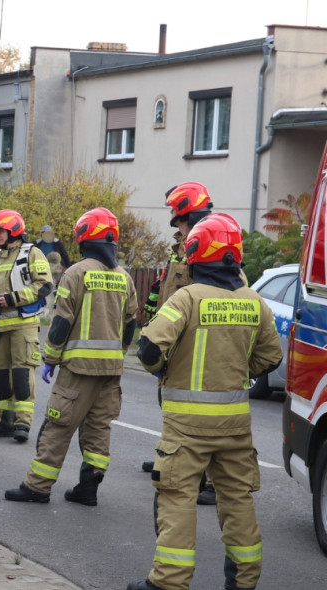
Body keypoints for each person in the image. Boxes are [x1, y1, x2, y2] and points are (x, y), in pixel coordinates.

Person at [128, 213, 282, 590]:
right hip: (235, 426)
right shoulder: (254, 301)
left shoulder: (187, 297)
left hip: (186, 427)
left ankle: (169, 583)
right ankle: (244, 582)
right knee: (237, 502)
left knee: (178, 498)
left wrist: (163, 370)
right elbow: (271, 358)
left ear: (198, 254)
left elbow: (148, 348)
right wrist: (238, 370)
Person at [4, 208, 138, 504]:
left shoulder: (75, 273)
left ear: (84, 238)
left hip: (78, 371)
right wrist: (119, 355)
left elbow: (61, 322)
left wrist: (50, 359)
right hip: (111, 371)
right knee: (98, 429)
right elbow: (131, 325)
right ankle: (88, 489)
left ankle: (37, 487)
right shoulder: (125, 277)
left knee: (58, 427)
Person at [140, 182, 218, 506]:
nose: (172, 217)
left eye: (176, 212)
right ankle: (173, 457)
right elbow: (166, 289)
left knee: (203, 414)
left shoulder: (210, 243)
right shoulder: (181, 246)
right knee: (172, 406)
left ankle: (211, 481)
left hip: (197, 340)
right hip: (174, 337)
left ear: (188, 212)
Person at [0, 209, 53, 443]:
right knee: (1, 376)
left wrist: (11, 298)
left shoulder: (33, 253)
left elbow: (44, 285)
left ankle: (23, 424)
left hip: (23, 325)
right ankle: (3, 421)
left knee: (22, 375)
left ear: (13, 230)